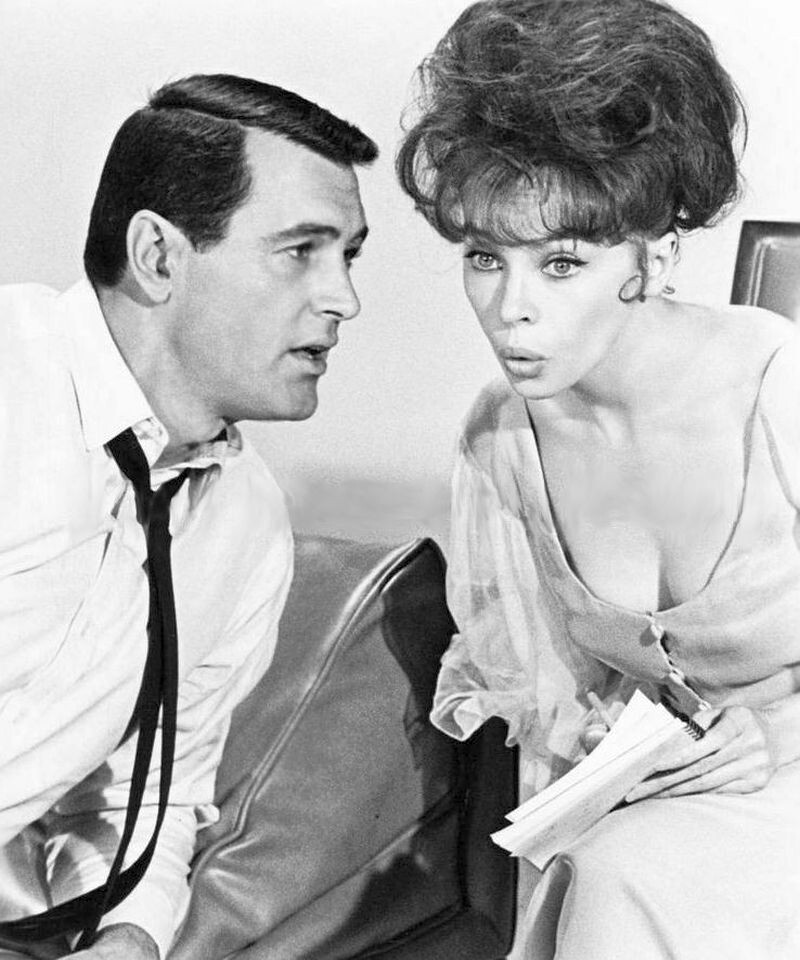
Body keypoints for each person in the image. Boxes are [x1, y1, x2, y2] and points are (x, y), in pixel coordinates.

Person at [396, 1, 800, 957]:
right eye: (485, 258)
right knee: (606, 864)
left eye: (562, 263)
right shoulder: (503, 438)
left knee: (626, 873)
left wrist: (779, 737)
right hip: (673, 796)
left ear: (655, 254)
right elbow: (545, 695)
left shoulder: (780, 391)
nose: (511, 309)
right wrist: (595, 740)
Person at [0, 74, 376, 960]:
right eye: (299, 251)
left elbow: (144, 798)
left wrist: (129, 935)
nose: (343, 299)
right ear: (158, 257)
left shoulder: (246, 525)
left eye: (348, 257)